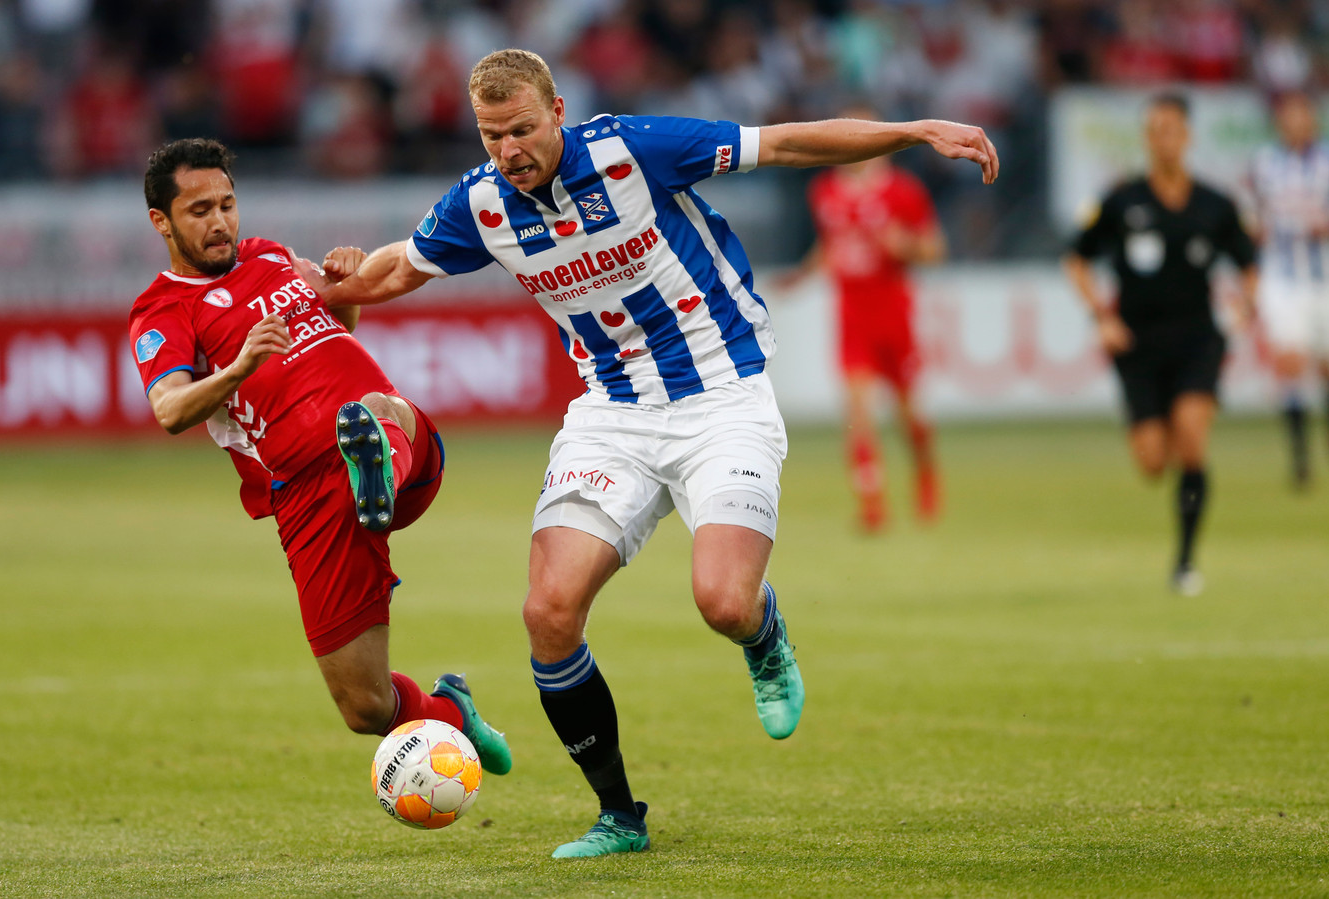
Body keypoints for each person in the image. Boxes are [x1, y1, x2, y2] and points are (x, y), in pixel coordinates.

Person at [299, 48, 997, 858]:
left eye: (522, 129)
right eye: (492, 136)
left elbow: (789, 142)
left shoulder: (634, 149)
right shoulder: (482, 203)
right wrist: (340, 278)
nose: (509, 151)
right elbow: (394, 271)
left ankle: (764, 636)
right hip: (612, 415)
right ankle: (618, 815)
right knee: (548, 612)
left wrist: (913, 130)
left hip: (721, 396)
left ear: (558, 109)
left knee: (723, 602)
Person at [129, 137, 512, 777]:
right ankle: (453, 713)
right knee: (364, 704)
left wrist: (344, 286)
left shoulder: (271, 255)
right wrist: (241, 365)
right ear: (161, 222)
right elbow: (169, 410)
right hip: (306, 496)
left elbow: (341, 320)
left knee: (373, 408)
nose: (220, 221)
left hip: (396, 443)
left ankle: (376, 461)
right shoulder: (162, 310)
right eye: (199, 211)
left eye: (227, 204)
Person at [1063, 93, 1257, 597]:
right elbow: (1076, 260)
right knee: (1153, 462)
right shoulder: (1122, 200)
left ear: (1187, 136)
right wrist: (1100, 316)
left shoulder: (1216, 204)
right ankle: (1171, 447)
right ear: (1146, 139)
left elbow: (1249, 263)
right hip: (1137, 344)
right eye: (1153, 130)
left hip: (1197, 338)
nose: (1162, 138)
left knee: (1192, 435)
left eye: (1170, 128)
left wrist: (1245, 305)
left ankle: (1186, 562)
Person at [784, 103, 946, 531]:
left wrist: (904, 246)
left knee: (908, 412)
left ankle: (926, 473)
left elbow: (934, 250)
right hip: (852, 316)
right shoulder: (825, 191)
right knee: (857, 412)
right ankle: (872, 503)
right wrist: (801, 276)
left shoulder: (903, 191)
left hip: (893, 315)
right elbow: (831, 245)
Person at [1246, 90, 1329, 489]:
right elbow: (1252, 215)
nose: (1295, 123)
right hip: (1282, 279)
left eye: (1302, 115)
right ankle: (1300, 460)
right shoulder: (1264, 164)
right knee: (1289, 362)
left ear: (1313, 121)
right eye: (1288, 116)